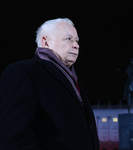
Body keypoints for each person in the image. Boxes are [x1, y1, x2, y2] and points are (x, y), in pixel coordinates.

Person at [0, 18, 99, 150]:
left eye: (77, 40)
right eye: (68, 39)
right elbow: (14, 137)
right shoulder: (23, 72)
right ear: (45, 42)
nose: (76, 45)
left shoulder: (73, 79)